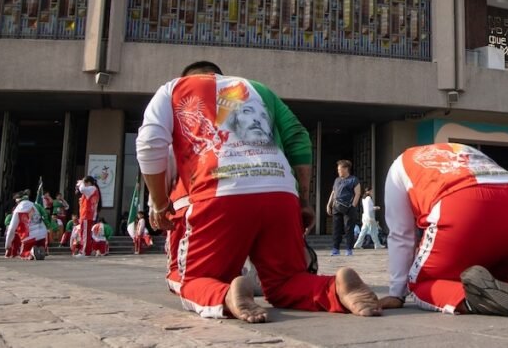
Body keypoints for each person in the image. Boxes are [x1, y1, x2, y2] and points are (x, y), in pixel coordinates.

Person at [135, 60, 380, 323]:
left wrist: (159, 204)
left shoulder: (174, 89)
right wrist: (303, 200)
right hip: (279, 192)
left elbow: (150, 144)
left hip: (220, 194)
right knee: (286, 281)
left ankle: (226, 294)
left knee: (195, 280)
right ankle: (335, 288)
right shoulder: (258, 89)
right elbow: (298, 137)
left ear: (187, 77)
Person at [378, 143, 508, 316]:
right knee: (487, 276)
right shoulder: (463, 149)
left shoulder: (400, 165)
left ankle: (477, 301)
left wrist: (397, 293)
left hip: (464, 209)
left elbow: (401, 234)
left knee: (420, 283)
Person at [327, 160, 361, 256]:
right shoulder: (337, 180)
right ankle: (335, 249)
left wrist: (353, 206)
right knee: (336, 229)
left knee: (349, 228)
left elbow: (357, 193)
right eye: (338, 169)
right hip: (336, 207)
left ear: (346, 169)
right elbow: (333, 192)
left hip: (348, 208)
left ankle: (349, 249)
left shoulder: (353, 180)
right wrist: (329, 204)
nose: (338, 171)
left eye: (340, 169)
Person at [77, 176, 101, 256]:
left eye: (85, 183)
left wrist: (81, 183)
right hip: (86, 215)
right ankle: (87, 251)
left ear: (89, 183)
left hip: (87, 215)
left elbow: (82, 189)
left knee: (84, 234)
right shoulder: (92, 190)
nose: (84, 185)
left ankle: (83, 251)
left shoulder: (92, 188)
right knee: (85, 234)